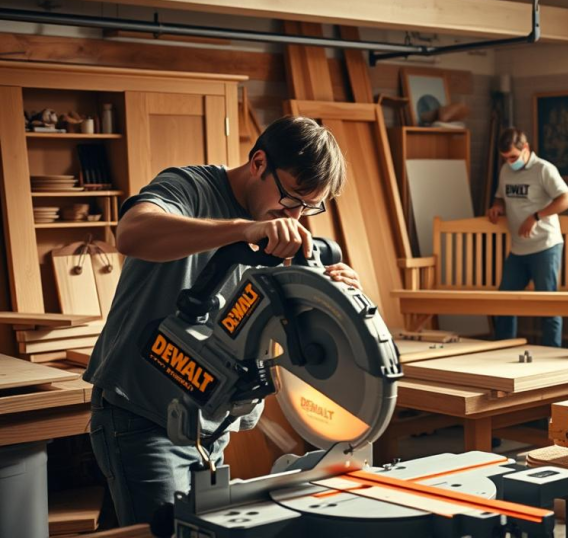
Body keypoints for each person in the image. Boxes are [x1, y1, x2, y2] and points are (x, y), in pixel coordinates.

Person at [84, 116, 362, 526]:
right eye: (292, 201)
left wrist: (333, 295)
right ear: (259, 163)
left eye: (310, 206)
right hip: (145, 412)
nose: (298, 216)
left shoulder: (282, 224)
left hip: (210, 424)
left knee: (142, 529)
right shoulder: (190, 186)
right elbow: (131, 233)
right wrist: (241, 230)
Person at [487, 127, 568, 347]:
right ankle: (502, 349)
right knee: (505, 301)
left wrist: (536, 216)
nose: (509, 162)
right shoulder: (506, 171)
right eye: (505, 158)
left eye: (513, 157)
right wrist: (496, 207)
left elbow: (566, 199)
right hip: (518, 249)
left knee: (548, 305)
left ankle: (551, 355)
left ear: (525, 148)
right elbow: (500, 197)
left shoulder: (544, 169)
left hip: (545, 246)